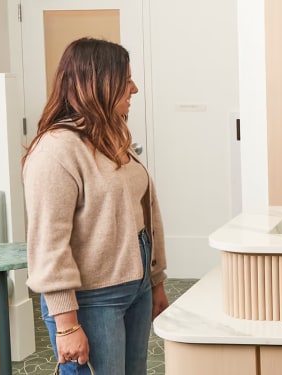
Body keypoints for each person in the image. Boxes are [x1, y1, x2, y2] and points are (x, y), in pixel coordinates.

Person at [22, 37, 168, 374]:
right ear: (98, 84)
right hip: (92, 299)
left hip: (136, 284)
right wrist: (68, 326)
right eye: (126, 80)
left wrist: (155, 279)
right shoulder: (55, 151)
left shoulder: (110, 137)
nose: (134, 89)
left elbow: (144, 210)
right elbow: (48, 244)